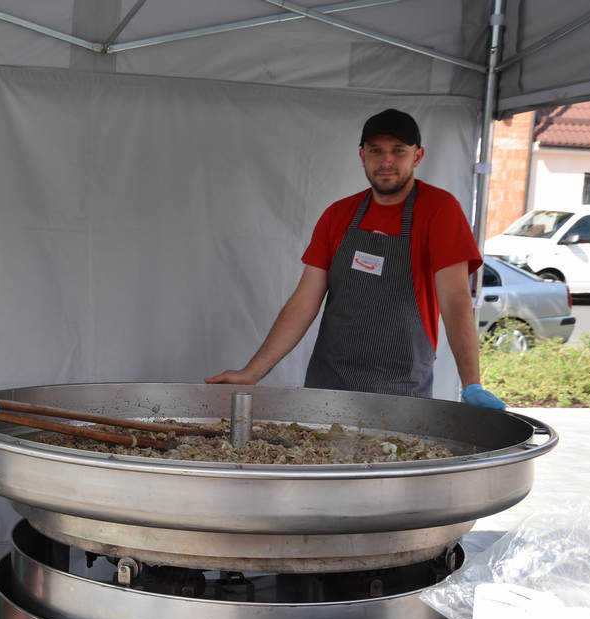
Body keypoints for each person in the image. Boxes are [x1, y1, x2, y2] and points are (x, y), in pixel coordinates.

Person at [206, 109, 505, 409]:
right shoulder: (338, 215)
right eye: (376, 151)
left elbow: (455, 299)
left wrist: (472, 384)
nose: (386, 161)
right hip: (327, 389)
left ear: (418, 156)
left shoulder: (440, 211)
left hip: (401, 393)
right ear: (362, 156)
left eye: (398, 151)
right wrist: (252, 373)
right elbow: (304, 302)